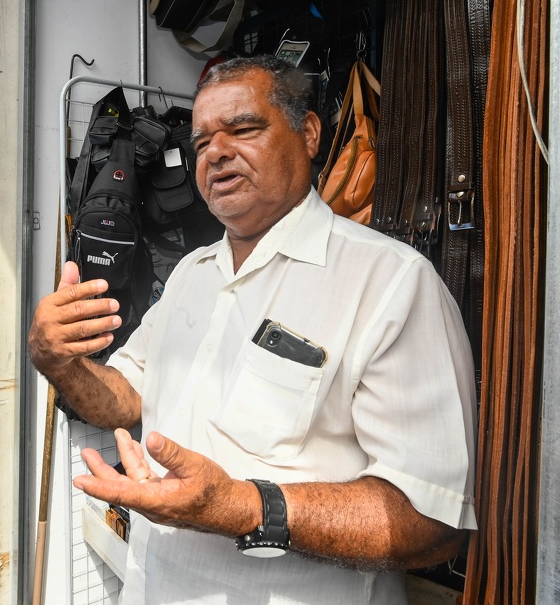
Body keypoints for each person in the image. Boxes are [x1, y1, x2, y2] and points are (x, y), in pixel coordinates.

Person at [28, 56, 477, 603]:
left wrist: (244, 508)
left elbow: (431, 522)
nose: (216, 152)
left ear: (308, 134)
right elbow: (123, 397)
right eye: (201, 142)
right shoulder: (192, 275)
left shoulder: (392, 283)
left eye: (243, 129)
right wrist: (59, 363)